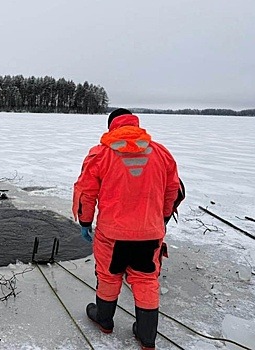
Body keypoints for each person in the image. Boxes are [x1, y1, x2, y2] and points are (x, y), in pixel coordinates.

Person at [72, 108, 182, 350]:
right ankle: (146, 336)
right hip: (149, 234)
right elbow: (173, 190)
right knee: (145, 280)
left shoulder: (100, 154)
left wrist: (85, 222)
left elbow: (85, 193)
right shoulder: (161, 153)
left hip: (112, 235)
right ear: (135, 124)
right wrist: (161, 218)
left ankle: (104, 320)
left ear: (112, 126)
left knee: (109, 275)